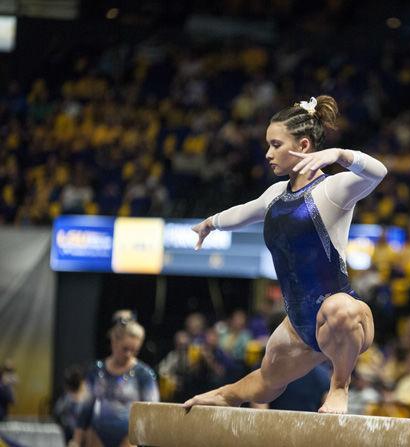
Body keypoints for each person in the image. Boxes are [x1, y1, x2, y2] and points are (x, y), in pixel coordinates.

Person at [185, 95, 387, 413]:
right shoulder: (276, 194)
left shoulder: (331, 190)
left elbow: (377, 172)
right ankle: (226, 394)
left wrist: (339, 154)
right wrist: (211, 223)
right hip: (299, 326)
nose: (267, 154)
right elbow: (244, 212)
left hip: (345, 319)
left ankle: (339, 386)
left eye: (275, 145)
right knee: (267, 382)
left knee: (339, 309)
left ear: (304, 146)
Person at [70, 319, 159, 447]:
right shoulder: (96, 370)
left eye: (134, 351)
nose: (129, 354)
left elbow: (152, 413)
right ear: (114, 342)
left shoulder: (144, 374)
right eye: (125, 349)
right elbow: (85, 409)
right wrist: (76, 441)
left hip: (128, 436)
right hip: (97, 433)